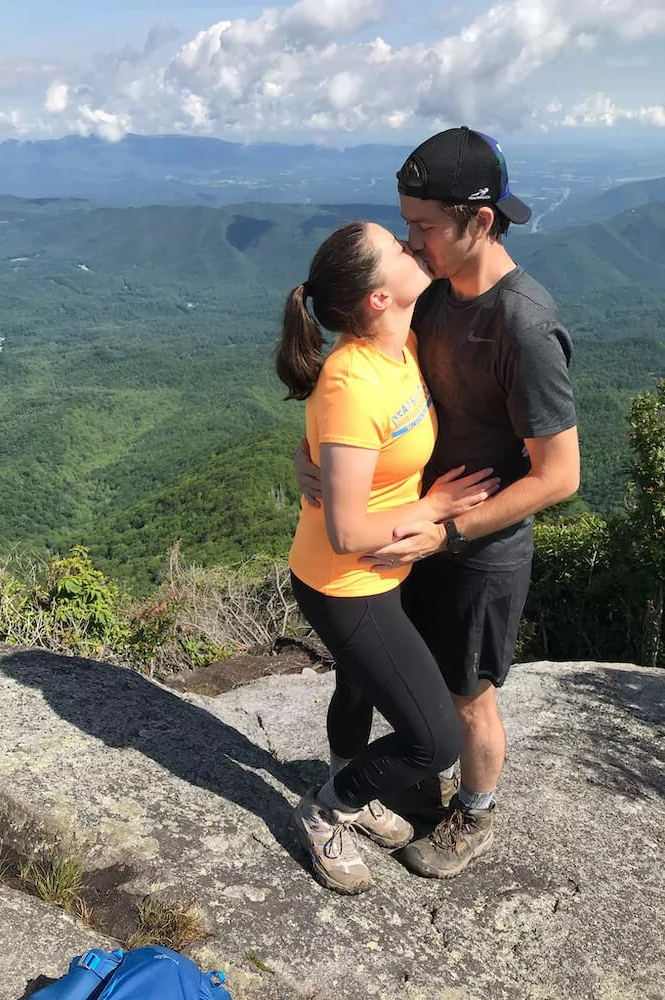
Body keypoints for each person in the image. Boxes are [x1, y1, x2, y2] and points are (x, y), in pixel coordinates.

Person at [294, 127, 580, 879]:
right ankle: (392, 786)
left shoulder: (523, 323)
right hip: (411, 533)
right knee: (389, 680)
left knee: (468, 695)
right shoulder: (432, 297)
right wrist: (310, 455)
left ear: (480, 221)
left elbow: (559, 476)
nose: (412, 242)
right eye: (406, 227)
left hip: (476, 546)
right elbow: (358, 386)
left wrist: (444, 534)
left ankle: (474, 814)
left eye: (422, 227)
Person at [276, 220, 500, 895]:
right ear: (377, 298)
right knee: (434, 740)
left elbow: (336, 447)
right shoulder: (353, 380)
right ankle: (325, 809)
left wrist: (304, 455)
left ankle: (350, 779)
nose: (413, 248)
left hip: (381, 570)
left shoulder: (399, 346)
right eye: (398, 249)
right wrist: (433, 510)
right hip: (344, 580)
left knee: (357, 684)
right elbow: (346, 531)